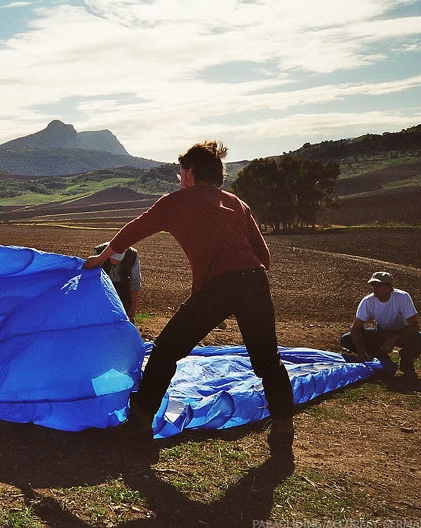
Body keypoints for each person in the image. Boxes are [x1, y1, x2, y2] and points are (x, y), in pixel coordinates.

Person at [83, 140, 295, 457]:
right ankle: (283, 426)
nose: (179, 177)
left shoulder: (178, 202)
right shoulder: (236, 203)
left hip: (219, 287)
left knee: (167, 350)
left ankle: (140, 420)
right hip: (254, 282)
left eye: (181, 170)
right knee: (267, 359)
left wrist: (101, 260)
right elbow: (264, 257)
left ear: (190, 173)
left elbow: (134, 230)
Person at [340, 271, 421, 384]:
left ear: (389, 287)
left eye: (379, 285)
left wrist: (395, 338)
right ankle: (382, 358)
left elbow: (414, 326)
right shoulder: (368, 301)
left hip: (403, 332)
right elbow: (356, 329)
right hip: (382, 332)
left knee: (419, 340)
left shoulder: (402, 297)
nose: (375, 288)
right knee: (346, 339)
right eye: (373, 285)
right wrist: (361, 351)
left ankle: (406, 363)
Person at [93, 242, 141, 323]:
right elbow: (92, 276)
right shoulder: (99, 251)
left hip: (123, 289)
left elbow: (135, 282)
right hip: (103, 289)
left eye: (119, 258)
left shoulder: (132, 255)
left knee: (126, 320)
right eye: (113, 257)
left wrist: (132, 307)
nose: (115, 260)